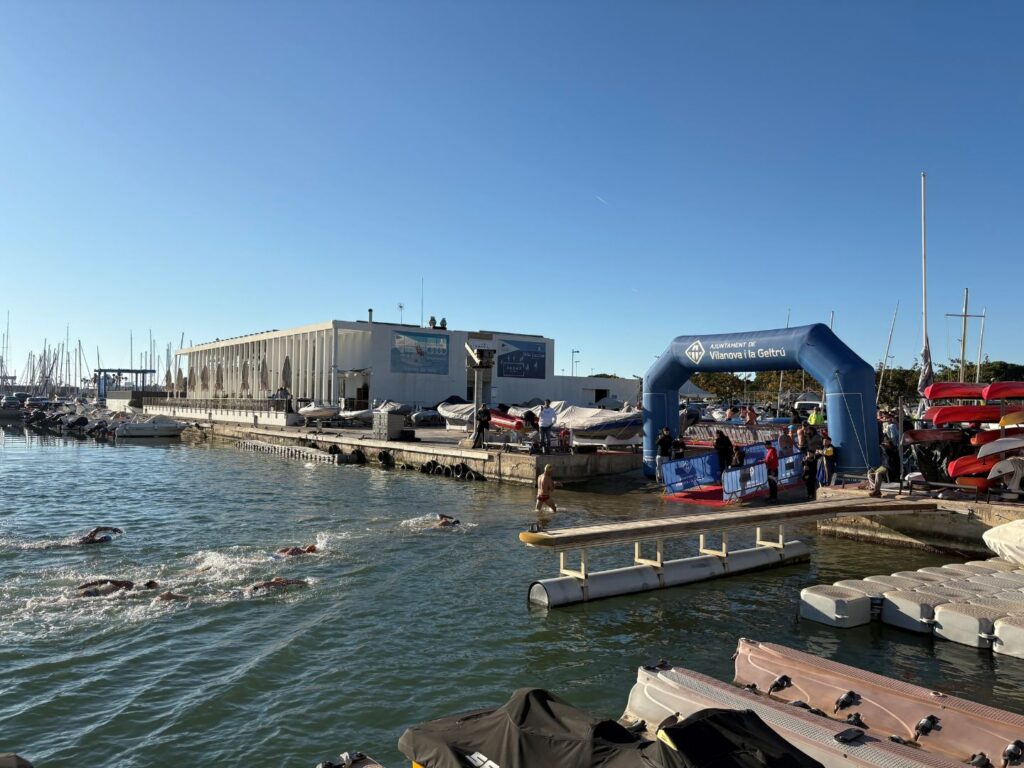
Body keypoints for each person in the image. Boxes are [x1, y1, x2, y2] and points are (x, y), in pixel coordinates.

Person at [76, 579, 159, 598]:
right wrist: (84, 585)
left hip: (95, 594)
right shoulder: (128, 584)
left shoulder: (133, 588)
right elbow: (104, 580)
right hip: (93, 592)